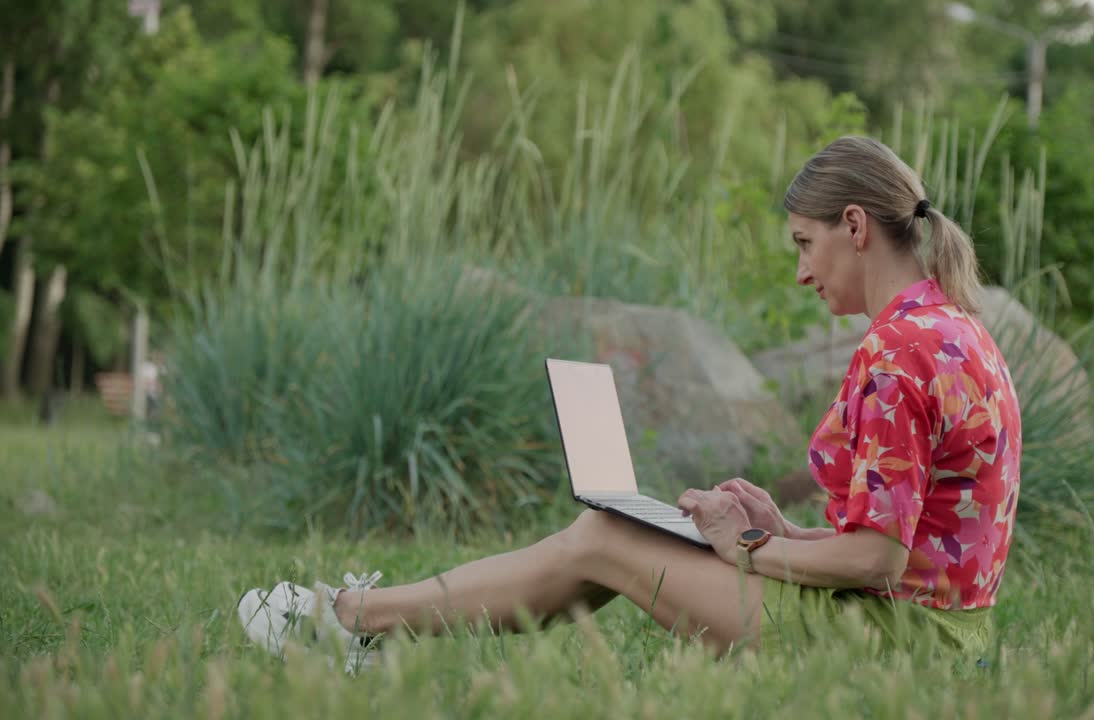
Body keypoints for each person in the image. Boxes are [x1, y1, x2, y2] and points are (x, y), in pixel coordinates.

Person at [238, 136, 1022, 673]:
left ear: (853, 226)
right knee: (609, 531)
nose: (801, 272)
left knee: (603, 537)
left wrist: (747, 549)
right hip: (943, 632)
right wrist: (785, 533)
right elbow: (912, 546)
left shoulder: (897, 350)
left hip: (895, 644)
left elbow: (877, 561)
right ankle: (363, 622)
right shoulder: (956, 330)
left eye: (802, 243)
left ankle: (350, 622)